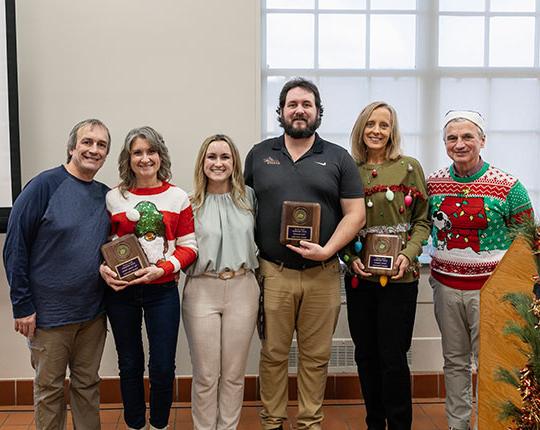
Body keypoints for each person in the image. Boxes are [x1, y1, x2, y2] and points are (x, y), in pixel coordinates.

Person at [244, 77, 365, 430]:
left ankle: (310, 422)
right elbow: (241, 206)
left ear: (317, 112)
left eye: (306, 104)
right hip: (273, 271)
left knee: (315, 357)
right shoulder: (260, 154)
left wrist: (327, 249)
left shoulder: (338, 158)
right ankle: (272, 422)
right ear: (281, 112)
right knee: (273, 354)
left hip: (323, 272)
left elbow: (355, 213)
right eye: (292, 104)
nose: (299, 110)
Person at [427, 110, 533, 430]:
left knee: (491, 363)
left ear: (482, 140)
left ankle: (491, 424)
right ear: (445, 143)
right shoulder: (432, 184)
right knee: (454, 363)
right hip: (445, 287)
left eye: (467, 137)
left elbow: (527, 242)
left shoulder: (509, 187)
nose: (460, 144)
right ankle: (458, 425)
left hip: (491, 292)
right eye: (452, 138)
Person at [3, 119, 111, 430]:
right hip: (48, 317)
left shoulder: (104, 195)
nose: (93, 149)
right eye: (87, 142)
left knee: (87, 386)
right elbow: (14, 248)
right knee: (49, 391)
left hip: (92, 315)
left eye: (101, 145)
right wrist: (22, 306)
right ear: (72, 147)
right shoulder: (43, 186)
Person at [99, 126, 198, 430]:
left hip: (162, 292)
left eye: (150, 151)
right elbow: (101, 245)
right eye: (137, 153)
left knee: (162, 366)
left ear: (160, 155)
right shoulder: (113, 198)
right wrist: (103, 269)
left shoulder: (178, 197)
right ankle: (134, 424)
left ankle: (158, 425)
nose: (145, 158)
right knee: (129, 364)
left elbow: (189, 247)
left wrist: (164, 269)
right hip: (121, 293)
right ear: (128, 159)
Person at [341, 102, 430, 430]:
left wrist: (409, 253)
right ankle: (374, 423)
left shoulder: (409, 167)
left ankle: (400, 424)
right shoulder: (347, 170)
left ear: (392, 131)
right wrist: (350, 260)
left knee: (393, 358)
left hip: (400, 280)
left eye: (384, 125)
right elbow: (340, 225)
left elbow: (422, 221)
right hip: (360, 280)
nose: (377, 131)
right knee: (365, 356)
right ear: (361, 129)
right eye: (371, 124)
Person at [183, 134, 259, 430]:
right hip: (202, 288)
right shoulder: (188, 204)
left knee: (233, 373)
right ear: (202, 163)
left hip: (243, 287)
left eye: (224, 157)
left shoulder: (249, 198)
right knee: (205, 374)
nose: (218, 163)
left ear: (234, 163)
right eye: (211, 157)